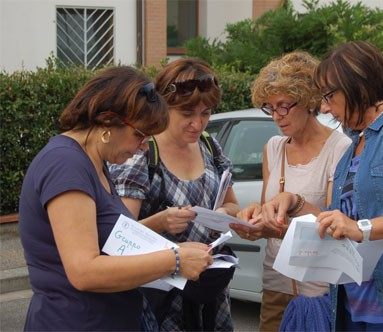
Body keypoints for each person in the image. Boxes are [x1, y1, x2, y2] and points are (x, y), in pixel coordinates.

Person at [256, 41, 383, 331]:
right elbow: (338, 220)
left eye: (329, 96)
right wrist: (295, 201)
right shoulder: (355, 143)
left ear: (358, 86)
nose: (325, 107)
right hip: (353, 304)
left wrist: (361, 228)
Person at [18, 66, 213, 331]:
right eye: (140, 134)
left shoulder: (93, 162)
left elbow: (104, 237)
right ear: (108, 121)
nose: (144, 145)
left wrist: (163, 230)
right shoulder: (66, 164)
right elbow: (84, 271)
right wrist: (175, 260)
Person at [109, 58, 239, 331]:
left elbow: (231, 204)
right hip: (158, 298)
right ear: (165, 107)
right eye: (188, 113)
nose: (197, 123)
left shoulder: (209, 146)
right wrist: (160, 222)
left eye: (205, 113)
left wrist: (224, 215)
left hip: (207, 293)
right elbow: (118, 237)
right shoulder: (142, 153)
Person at [229, 51, 351, 332]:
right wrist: (252, 221)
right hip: (275, 283)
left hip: (319, 289)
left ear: (309, 100)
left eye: (283, 106)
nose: (276, 116)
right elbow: (268, 217)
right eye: (270, 108)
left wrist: (291, 207)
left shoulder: (339, 148)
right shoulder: (273, 148)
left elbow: (336, 223)